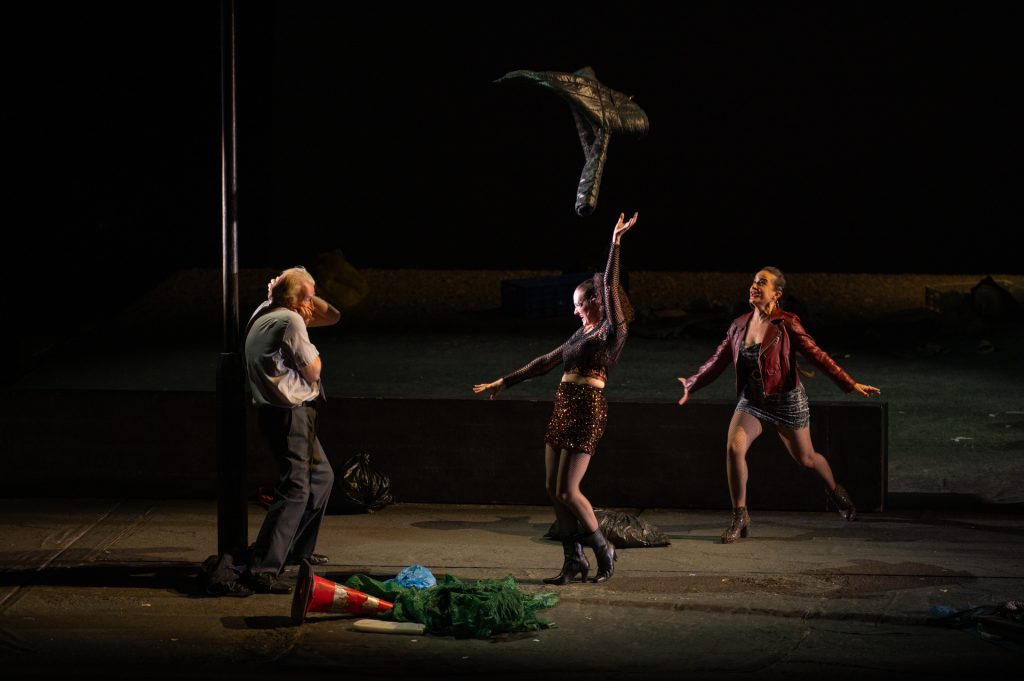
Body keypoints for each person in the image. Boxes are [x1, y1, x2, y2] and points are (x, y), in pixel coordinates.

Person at [474, 211, 638, 584]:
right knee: (552, 488)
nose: (574, 309)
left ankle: (603, 548)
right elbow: (547, 361)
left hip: (588, 408)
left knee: (569, 489)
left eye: (579, 303)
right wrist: (505, 381)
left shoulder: (612, 331)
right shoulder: (580, 335)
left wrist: (615, 243)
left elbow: (610, 284)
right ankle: (573, 560)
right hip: (563, 407)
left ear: (597, 301)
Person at [677, 266, 881, 543]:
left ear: (776, 294)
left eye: (762, 282)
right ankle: (740, 516)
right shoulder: (739, 325)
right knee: (735, 448)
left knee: (806, 458)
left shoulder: (786, 324)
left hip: (787, 400)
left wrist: (850, 383)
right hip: (753, 400)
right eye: (753, 281)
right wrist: (692, 383)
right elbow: (717, 360)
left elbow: (818, 355)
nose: (754, 286)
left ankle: (837, 492)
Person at [242, 266, 340, 594]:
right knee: (296, 488)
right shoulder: (291, 321)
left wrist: (302, 292)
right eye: (309, 297)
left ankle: (296, 550)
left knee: (322, 478)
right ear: (296, 300)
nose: (314, 305)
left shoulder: (266, 310)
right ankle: (264, 567)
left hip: (282, 414)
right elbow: (314, 372)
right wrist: (301, 306)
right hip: (290, 415)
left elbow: (334, 316)